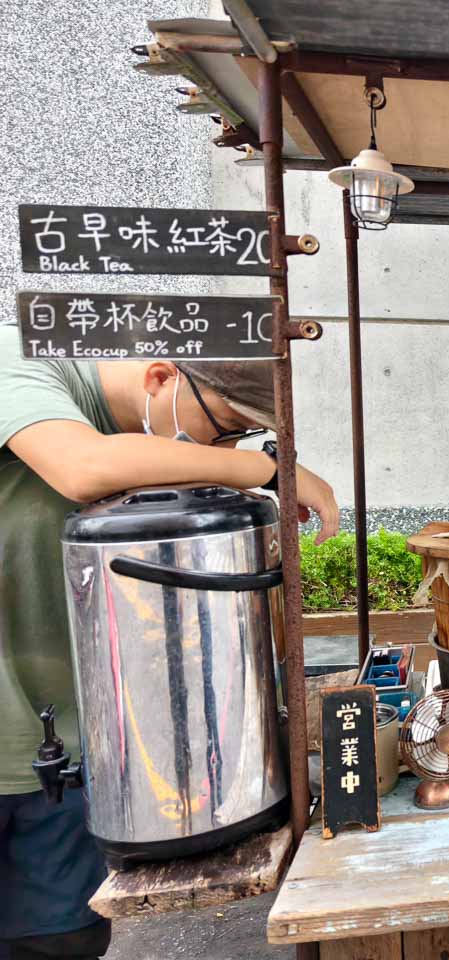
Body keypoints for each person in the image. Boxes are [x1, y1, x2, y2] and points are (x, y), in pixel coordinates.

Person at [0, 322, 339, 960]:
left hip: (67, 739)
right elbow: (83, 467)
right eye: (222, 431)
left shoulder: (144, 438)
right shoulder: (21, 366)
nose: (220, 453)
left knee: (58, 938)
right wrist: (266, 468)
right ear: (160, 377)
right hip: (12, 727)